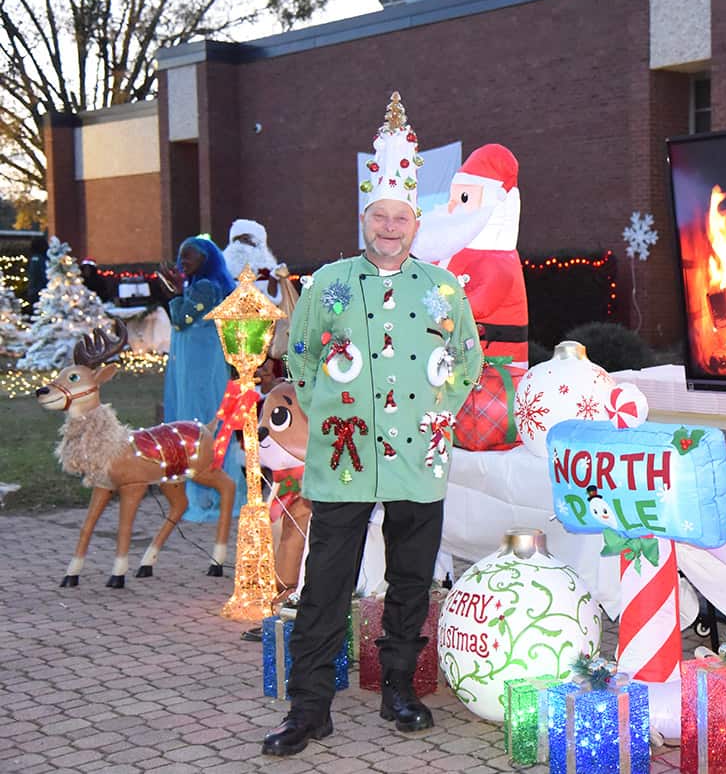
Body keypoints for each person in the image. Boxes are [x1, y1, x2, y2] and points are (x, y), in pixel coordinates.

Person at [263, 93, 482, 757]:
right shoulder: (328, 283)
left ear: (416, 222)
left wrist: (441, 411)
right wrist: (330, 412)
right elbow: (299, 357)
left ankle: (399, 690)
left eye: (401, 217)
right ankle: (308, 709)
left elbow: (467, 359)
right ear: (365, 218)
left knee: (412, 579)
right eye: (379, 217)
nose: (390, 227)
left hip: (422, 455)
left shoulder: (445, 289)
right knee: (326, 582)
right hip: (344, 458)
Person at [411, 143, 530, 365]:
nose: (452, 207)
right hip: (451, 361)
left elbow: (476, 305)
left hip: (493, 364)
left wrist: (427, 305)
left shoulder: (498, 262)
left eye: (464, 198)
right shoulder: (450, 250)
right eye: (452, 197)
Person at [159, 236, 248, 521]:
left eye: (190, 256)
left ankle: (207, 494)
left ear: (206, 260)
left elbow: (182, 319)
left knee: (199, 420)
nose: (183, 261)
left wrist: (174, 293)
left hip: (201, 366)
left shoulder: (206, 287)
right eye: (181, 255)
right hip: (199, 363)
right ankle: (211, 492)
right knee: (206, 420)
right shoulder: (202, 286)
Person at [222, 218, 284, 303]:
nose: (239, 244)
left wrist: (273, 278)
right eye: (236, 240)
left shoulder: (266, 270)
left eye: (245, 239)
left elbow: (274, 301)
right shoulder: (224, 268)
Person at [24, 234, 48, 310]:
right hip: (39, 291)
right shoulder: (39, 259)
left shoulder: (34, 259)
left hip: (33, 291)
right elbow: (43, 275)